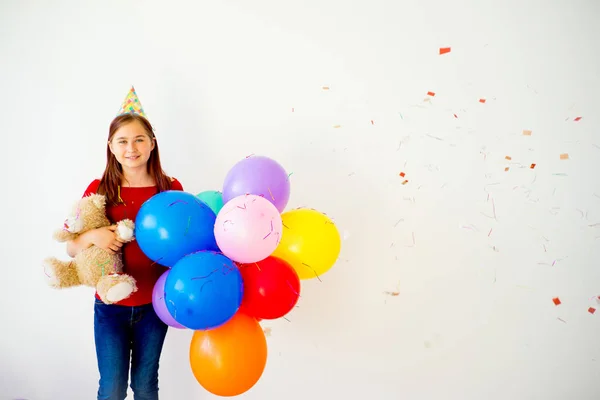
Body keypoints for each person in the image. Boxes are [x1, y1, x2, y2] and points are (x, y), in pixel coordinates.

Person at [65, 87, 183, 400]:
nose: (131, 148)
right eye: (123, 141)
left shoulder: (170, 189)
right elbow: (71, 247)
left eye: (139, 139)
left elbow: (186, 242)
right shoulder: (99, 188)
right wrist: (93, 236)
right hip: (110, 307)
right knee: (112, 388)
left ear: (152, 143)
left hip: (154, 305)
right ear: (111, 147)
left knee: (145, 386)